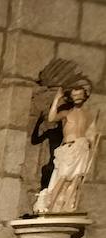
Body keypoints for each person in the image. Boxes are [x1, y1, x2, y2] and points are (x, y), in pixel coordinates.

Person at [33, 79, 98, 215]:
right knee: (62, 176)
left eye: (80, 95)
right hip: (69, 148)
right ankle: (50, 205)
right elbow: (51, 118)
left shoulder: (88, 115)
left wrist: (91, 142)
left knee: (75, 179)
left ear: (85, 96)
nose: (77, 98)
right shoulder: (67, 113)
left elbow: (91, 133)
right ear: (71, 97)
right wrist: (57, 99)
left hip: (81, 148)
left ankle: (68, 206)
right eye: (75, 95)